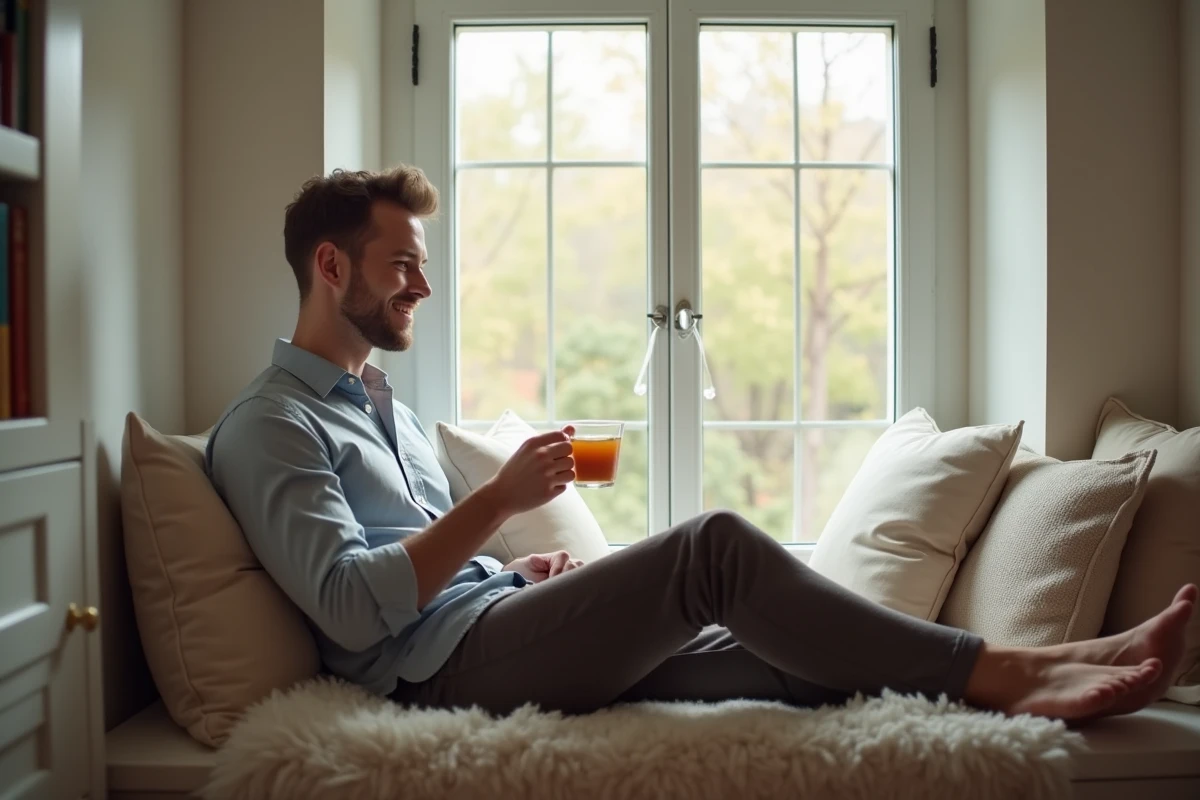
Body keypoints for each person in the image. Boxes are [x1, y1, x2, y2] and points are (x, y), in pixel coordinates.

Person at [205, 166, 1196, 725]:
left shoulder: (381, 401)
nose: (421, 285)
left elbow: (425, 565)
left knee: (782, 657)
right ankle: (1021, 675)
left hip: (487, 625)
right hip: (439, 675)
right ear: (331, 267)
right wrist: (501, 502)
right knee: (712, 548)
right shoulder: (270, 425)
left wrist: (517, 575)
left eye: (422, 265)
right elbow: (347, 602)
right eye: (402, 265)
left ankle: (1051, 659)